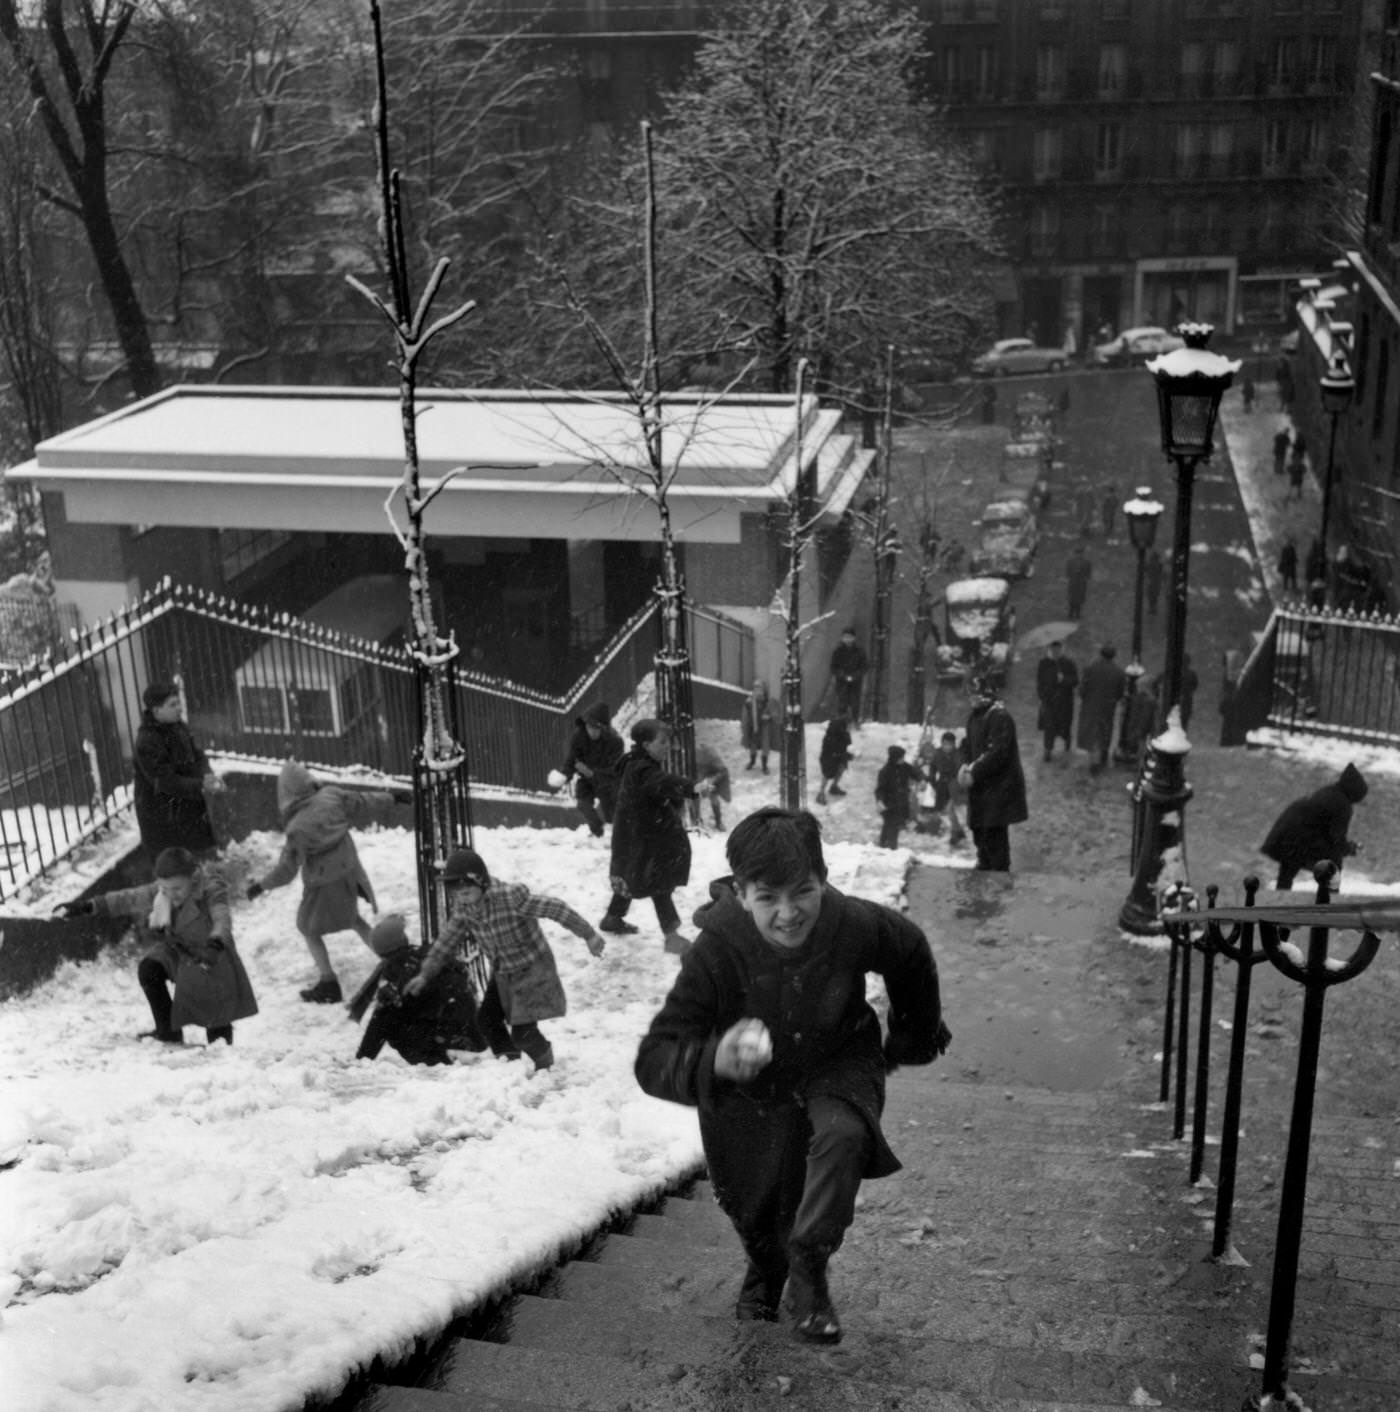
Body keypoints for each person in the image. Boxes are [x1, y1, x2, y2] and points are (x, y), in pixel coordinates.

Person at [634, 807, 950, 1342]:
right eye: (767, 898)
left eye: (802, 892)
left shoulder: (851, 922)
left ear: (822, 881)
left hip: (838, 1058)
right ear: (741, 892)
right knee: (757, 1196)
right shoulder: (717, 951)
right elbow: (654, 1059)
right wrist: (713, 1059)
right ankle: (767, 1269)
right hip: (751, 1089)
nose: (788, 913)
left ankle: (809, 1264)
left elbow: (910, 950)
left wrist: (912, 1035)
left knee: (843, 1134)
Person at [404, 848, 606, 1072]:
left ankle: (544, 1062)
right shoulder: (464, 909)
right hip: (503, 973)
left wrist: (589, 935)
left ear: (481, 881)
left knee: (523, 1033)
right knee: (487, 1021)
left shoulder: (510, 897)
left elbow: (555, 908)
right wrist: (425, 974)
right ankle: (511, 1066)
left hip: (533, 969)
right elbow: (446, 942)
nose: (461, 894)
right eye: (455, 889)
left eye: (466, 887)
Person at [58, 846, 256, 1046]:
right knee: (149, 969)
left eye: (177, 888)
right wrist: (89, 906)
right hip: (180, 951)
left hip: (211, 955)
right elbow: (131, 898)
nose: (171, 895)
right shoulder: (163, 891)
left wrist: (216, 942)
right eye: (165, 889)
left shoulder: (210, 889)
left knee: (216, 1019)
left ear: (194, 876)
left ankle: (221, 1046)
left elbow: (222, 917)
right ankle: (168, 1031)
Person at [247, 761, 401, 1003]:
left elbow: (286, 871)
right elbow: (364, 800)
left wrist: (260, 886)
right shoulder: (332, 796)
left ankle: (329, 982)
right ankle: (394, 963)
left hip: (323, 881)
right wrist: (392, 797)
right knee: (353, 918)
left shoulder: (297, 827)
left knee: (307, 927)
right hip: (349, 869)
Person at [603, 718, 700, 954]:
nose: (669, 746)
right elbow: (659, 783)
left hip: (635, 837)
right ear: (646, 745)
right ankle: (672, 936)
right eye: (663, 742)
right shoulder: (641, 769)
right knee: (658, 885)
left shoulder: (636, 764)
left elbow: (654, 790)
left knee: (632, 876)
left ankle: (612, 918)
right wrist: (690, 788)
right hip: (642, 839)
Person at [348, 913, 488, 1066]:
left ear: (378, 951)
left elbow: (380, 1020)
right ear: (404, 939)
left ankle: (443, 1052)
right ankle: (457, 1045)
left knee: (387, 1013)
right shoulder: (431, 956)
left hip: (439, 1042)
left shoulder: (393, 969)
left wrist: (363, 1057)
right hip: (474, 1036)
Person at [132, 681, 223, 862]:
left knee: (202, 861)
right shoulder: (147, 741)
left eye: (178, 703)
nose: (179, 708)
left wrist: (207, 774)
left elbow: (197, 754)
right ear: (157, 711)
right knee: (178, 870)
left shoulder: (177, 726)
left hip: (188, 810)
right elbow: (165, 781)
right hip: (164, 818)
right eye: (173, 705)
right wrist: (200, 784)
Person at [957, 669, 1027, 872]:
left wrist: (974, 770)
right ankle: (984, 865)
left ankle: (997, 875)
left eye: (973, 693)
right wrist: (964, 764)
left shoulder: (999, 716)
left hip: (998, 789)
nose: (970, 698)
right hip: (981, 789)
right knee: (980, 831)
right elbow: (968, 745)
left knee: (994, 834)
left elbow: (997, 752)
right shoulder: (976, 716)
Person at [1260, 763, 1368, 891]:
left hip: (1289, 832)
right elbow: (1336, 838)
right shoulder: (1343, 805)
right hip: (1304, 837)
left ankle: (1282, 891)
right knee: (1333, 863)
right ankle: (1328, 896)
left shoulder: (1329, 791)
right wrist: (1349, 848)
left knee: (1290, 864)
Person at [553, 701, 624, 839]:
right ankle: (598, 832)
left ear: (603, 728)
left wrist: (592, 773)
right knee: (583, 803)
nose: (592, 731)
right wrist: (564, 776)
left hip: (609, 782)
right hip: (587, 780)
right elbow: (572, 760)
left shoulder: (615, 742)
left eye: (596, 728)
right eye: (589, 726)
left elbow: (616, 769)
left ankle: (617, 835)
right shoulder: (579, 737)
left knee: (612, 813)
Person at [1078, 643, 1127, 774]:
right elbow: (1120, 693)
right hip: (1107, 707)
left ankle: (1094, 761)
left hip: (1091, 706)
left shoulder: (1090, 668)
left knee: (1092, 733)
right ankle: (1103, 754)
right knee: (1105, 731)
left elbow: (1082, 689)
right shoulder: (1119, 672)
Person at [1035, 639, 1078, 761]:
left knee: (1065, 724)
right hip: (1049, 702)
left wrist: (1064, 679)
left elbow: (1075, 681)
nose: (1055, 652)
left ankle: (1067, 741)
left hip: (1065, 702)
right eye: (1053, 650)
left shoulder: (1068, 663)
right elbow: (1040, 681)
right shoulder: (1044, 663)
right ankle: (1048, 750)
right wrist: (1042, 696)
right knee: (1049, 727)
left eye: (1057, 649)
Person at [874, 745, 923, 850]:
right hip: (889, 804)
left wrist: (921, 779)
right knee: (891, 825)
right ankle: (890, 847)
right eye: (901, 758)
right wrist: (880, 801)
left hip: (901, 802)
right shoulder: (885, 772)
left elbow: (915, 773)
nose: (903, 760)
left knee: (892, 825)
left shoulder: (905, 767)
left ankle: (886, 846)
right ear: (894, 758)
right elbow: (880, 789)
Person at [923, 730, 966, 845]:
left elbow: (960, 770)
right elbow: (933, 767)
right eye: (945, 744)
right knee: (943, 810)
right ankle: (956, 831)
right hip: (942, 785)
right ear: (941, 743)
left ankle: (955, 834)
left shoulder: (958, 755)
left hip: (954, 785)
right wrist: (932, 780)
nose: (947, 747)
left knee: (950, 809)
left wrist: (959, 784)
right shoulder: (937, 753)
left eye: (950, 744)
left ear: (954, 744)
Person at [1114, 666, 1157, 765]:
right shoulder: (1144, 699)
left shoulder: (1146, 700)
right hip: (1139, 729)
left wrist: (1138, 730)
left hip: (1140, 730)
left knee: (1142, 746)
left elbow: (1144, 718)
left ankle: (1140, 763)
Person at [828, 628, 869, 728]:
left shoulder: (860, 651)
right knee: (842, 703)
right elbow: (833, 667)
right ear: (842, 638)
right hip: (842, 681)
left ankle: (855, 721)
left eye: (850, 637)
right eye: (846, 637)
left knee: (855, 702)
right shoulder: (837, 651)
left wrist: (855, 675)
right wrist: (843, 675)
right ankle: (842, 723)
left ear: (854, 638)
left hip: (856, 681)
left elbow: (864, 666)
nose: (848, 639)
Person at [740, 681, 778, 773]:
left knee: (765, 745)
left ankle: (764, 765)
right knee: (753, 744)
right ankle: (752, 761)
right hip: (754, 726)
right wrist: (745, 726)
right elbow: (745, 715)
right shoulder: (749, 702)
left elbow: (773, 713)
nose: (758, 691)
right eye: (756, 689)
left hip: (765, 726)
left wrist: (768, 716)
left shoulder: (767, 701)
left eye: (760, 689)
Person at [815, 714, 853, 805]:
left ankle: (834, 787)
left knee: (842, 768)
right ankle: (820, 793)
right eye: (850, 725)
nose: (851, 727)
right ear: (845, 724)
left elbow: (849, 745)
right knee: (827, 774)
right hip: (829, 757)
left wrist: (851, 752)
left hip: (839, 756)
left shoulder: (846, 733)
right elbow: (831, 747)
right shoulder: (833, 732)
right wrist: (842, 752)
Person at [695, 740, 732, 830]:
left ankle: (718, 821)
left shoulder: (712, 757)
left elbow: (723, 771)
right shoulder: (694, 755)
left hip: (711, 778)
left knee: (714, 798)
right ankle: (697, 820)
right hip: (698, 777)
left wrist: (711, 780)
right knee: (695, 796)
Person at [1066, 544, 1092, 620]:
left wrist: (1084, 578)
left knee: (1079, 598)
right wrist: (1072, 576)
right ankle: (1071, 612)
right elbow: (1068, 572)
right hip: (1073, 582)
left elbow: (1088, 573)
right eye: (1077, 553)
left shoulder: (1087, 562)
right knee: (1072, 598)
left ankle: (1078, 613)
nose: (1079, 555)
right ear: (1075, 554)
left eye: (1080, 553)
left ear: (1082, 554)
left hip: (1081, 583)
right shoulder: (1070, 562)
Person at [1178, 652, 1200, 730]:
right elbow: (1195, 686)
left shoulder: (1175, 672)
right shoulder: (1192, 674)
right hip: (1187, 702)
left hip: (1177, 702)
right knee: (1184, 724)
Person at [1144, 548, 1164, 618]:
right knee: (1154, 596)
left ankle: (1152, 608)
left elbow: (1144, 570)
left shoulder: (1150, 564)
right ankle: (1153, 608)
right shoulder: (1159, 564)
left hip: (1151, 582)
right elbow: (1161, 573)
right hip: (1155, 583)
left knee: (1151, 596)